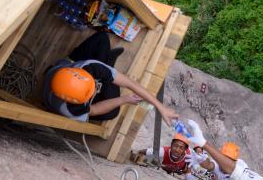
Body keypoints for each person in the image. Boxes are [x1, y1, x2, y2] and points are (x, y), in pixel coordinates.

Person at [42, 31, 179, 126]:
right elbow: (94, 110)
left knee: (102, 38)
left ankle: (108, 66)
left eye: (94, 86)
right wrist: (124, 99)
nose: (96, 88)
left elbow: (130, 84)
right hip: (55, 96)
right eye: (93, 90)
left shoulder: (89, 66)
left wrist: (161, 108)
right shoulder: (71, 111)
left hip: (66, 68)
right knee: (112, 112)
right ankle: (109, 64)